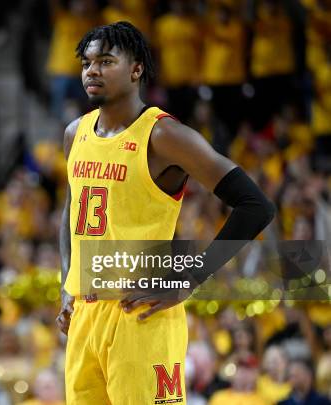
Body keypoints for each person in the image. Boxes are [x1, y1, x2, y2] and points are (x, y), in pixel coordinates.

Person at [55, 21, 275, 404]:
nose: (92, 70)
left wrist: (188, 279)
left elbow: (255, 206)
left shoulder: (164, 136)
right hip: (84, 319)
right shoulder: (76, 132)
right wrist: (65, 283)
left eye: (106, 61)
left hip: (140, 315)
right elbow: (71, 212)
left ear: (136, 69)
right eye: (87, 63)